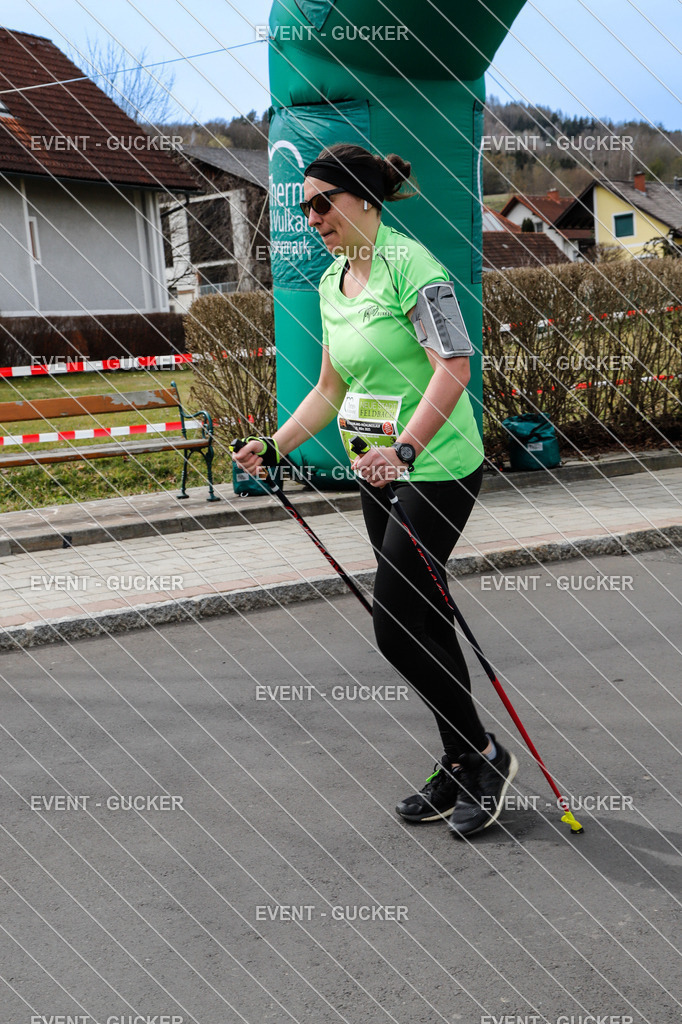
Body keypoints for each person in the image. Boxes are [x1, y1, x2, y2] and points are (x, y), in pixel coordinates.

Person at [232, 143, 518, 838]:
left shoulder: (413, 267)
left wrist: (408, 448)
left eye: (323, 203)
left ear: (363, 199)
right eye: (304, 208)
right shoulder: (334, 283)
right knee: (422, 618)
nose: (312, 217)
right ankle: (459, 759)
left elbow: (452, 367)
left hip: (436, 464)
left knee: (395, 623)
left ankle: (483, 755)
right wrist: (276, 445)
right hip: (376, 467)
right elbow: (330, 391)